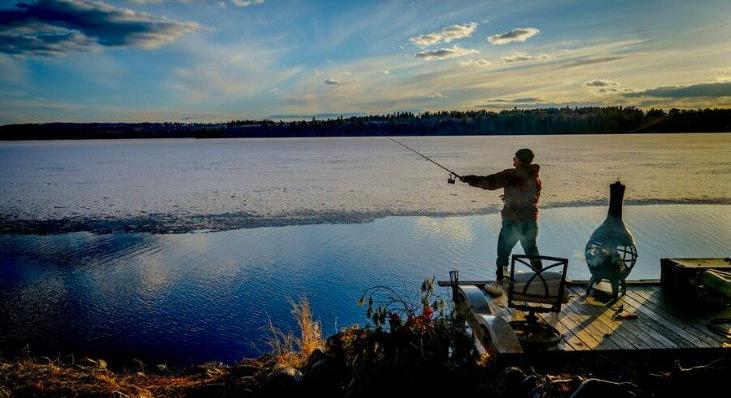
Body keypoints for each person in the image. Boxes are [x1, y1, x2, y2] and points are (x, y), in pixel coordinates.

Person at [459, 148, 542, 296]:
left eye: (515, 158)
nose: (513, 160)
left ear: (520, 160)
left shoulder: (512, 174)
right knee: (532, 252)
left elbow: (489, 182)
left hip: (513, 223)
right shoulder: (535, 177)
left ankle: (499, 283)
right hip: (530, 222)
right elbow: (528, 197)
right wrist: (510, 198)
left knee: (503, 254)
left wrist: (467, 179)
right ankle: (541, 281)